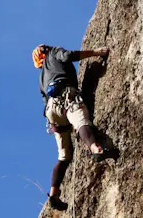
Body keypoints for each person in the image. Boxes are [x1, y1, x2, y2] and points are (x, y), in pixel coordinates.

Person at [32, 44, 109, 211]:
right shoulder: (54, 53)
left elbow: (44, 99)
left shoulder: (41, 79)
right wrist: (96, 52)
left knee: (64, 156)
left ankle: (54, 194)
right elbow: (68, 56)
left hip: (52, 112)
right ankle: (96, 149)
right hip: (66, 96)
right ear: (46, 51)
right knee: (81, 121)